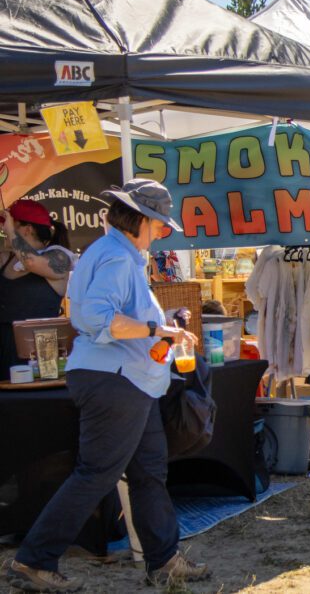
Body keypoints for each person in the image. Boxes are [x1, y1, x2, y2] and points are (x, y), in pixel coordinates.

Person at [7, 180, 207, 592]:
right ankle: (33, 560)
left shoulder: (115, 252)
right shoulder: (117, 257)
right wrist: (159, 327)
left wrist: (162, 324)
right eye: (159, 225)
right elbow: (101, 319)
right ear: (141, 220)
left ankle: (163, 559)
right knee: (97, 473)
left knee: (149, 472)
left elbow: (114, 317)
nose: (162, 232)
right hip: (116, 381)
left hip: (128, 381)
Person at [0, 200, 73, 379]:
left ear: (27, 229)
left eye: (9, 227)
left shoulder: (59, 256)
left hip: (39, 356)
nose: (4, 232)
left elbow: (31, 262)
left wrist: (10, 231)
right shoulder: (6, 258)